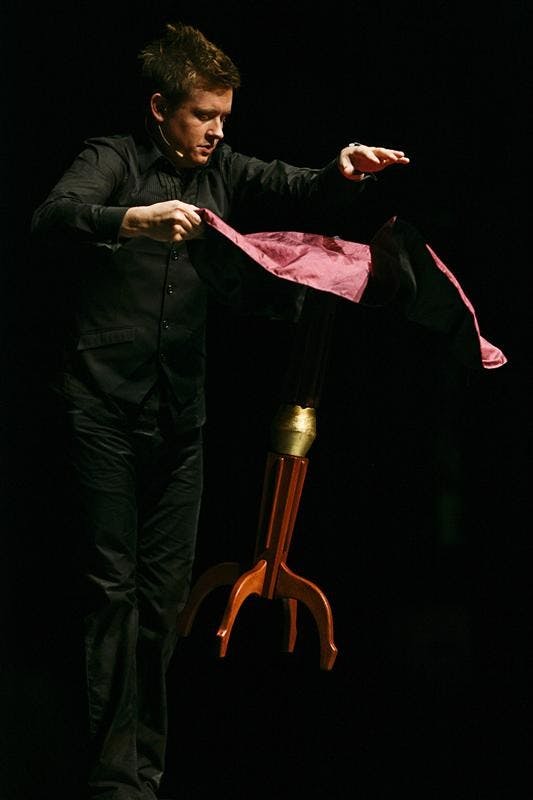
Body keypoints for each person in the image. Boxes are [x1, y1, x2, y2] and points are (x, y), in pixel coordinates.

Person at [30, 20, 409, 800]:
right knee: (110, 591)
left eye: (223, 117)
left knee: (163, 598)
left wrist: (340, 171)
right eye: (203, 115)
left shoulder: (223, 169)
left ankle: (141, 773)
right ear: (161, 108)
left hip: (179, 417)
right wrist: (131, 218)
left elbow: (292, 184)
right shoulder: (113, 159)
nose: (216, 131)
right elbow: (54, 215)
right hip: (102, 409)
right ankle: (113, 781)